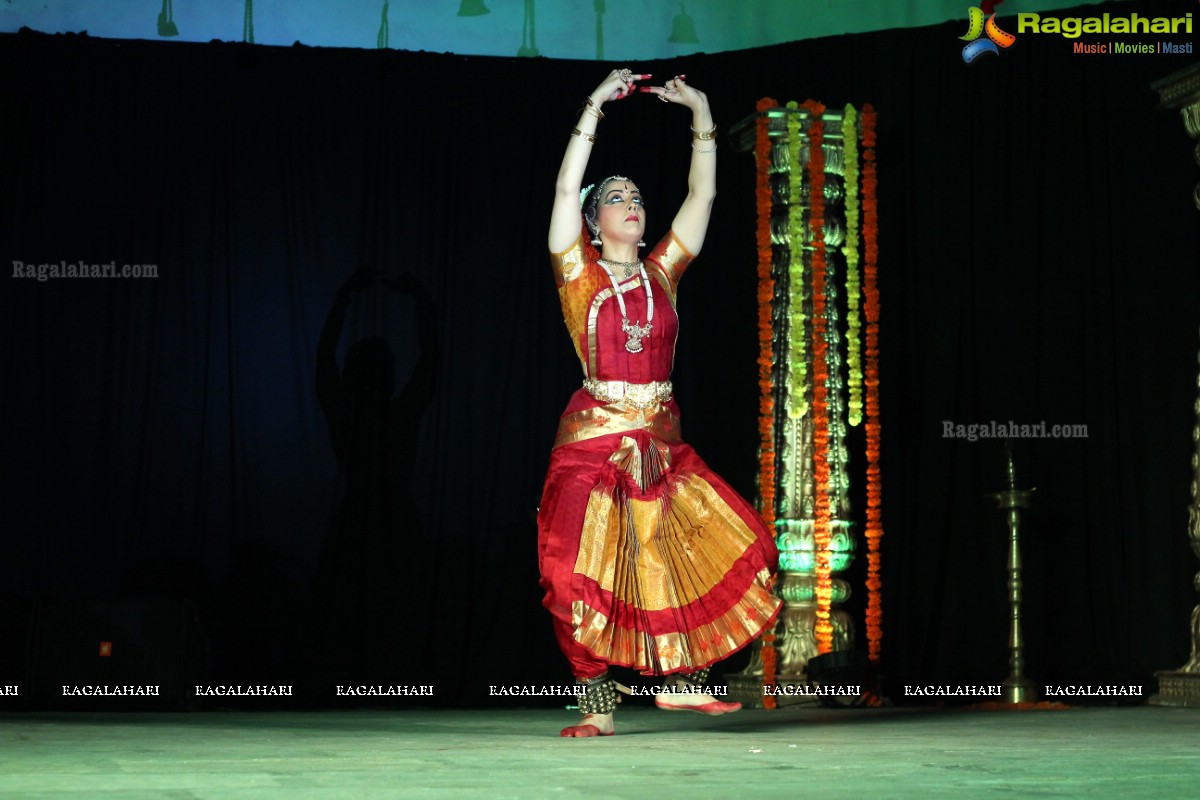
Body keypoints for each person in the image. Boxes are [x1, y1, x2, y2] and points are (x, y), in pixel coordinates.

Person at [538, 69, 782, 738]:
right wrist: (593, 105)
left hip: (662, 446)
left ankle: (680, 684)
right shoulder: (577, 274)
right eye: (616, 198)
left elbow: (703, 193)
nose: (632, 203)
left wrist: (701, 112)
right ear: (593, 222)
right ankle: (597, 707)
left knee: (698, 557)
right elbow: (564, 187)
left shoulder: (664, 272)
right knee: (571, 579)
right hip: (593, 443)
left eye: (638, 196)